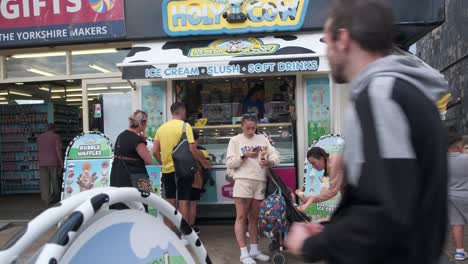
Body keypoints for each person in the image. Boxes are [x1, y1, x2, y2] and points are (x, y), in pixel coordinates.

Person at [285, 0, 449, 263]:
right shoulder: (408, 93)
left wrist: (313, 244)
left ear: (343, 38)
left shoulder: (380, 96)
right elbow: (394, 197)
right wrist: (334, 227)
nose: (327, 52)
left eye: (326, 42)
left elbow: (388, 215)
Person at [226, 114, 280, 264]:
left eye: (253, 128)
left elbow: (275, 154)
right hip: (243, 181)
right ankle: (244, 254)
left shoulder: (262, 139)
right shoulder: (235, 140)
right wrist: (244, 156)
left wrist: (270, 161)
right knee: (241, 217)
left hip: (260, 181)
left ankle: (254, 250)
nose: (250, 131)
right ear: (241, 126)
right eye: (247, 128)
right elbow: (230, 163)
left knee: (254, 218)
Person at [152, 103, 197, 225]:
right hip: (183, 170)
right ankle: (184, 234)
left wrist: (164, 162)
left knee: (169, 202)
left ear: (172, 113)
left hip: (167, 170)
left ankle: (169, 233)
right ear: (182, 112)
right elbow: (192, 149)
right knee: (184, 201)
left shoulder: (161, 128)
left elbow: (155, 151)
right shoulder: (185, 126)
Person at [110, 110, 153, 191]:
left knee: (122, 201)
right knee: (146, 198)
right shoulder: (137, 140)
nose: (146, 126)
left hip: (118, 177)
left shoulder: (120, 136)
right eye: (146, 123)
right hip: (138, 178)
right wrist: (145, 141)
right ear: (142, 124)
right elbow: (149, 160)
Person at [295, 147, 344, 212]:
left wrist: (309, 199)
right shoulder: (329, 164)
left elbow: (332, 192)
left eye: (313, 163)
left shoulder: (333, 164)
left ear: (321, 159)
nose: (313, 167)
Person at [447, 134, 468, 261]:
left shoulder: (440, 160)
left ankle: (459, 252)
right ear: (458, 146)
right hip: (466, 194)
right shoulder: (466, 159)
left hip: (450, 196)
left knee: (457, 224)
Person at [189, 130, 212, 234]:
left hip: (181, 181)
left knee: (183, 203)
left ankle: (183, 227)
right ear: (196, 140)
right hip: (194, 181)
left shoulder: (178, 150)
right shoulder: (197, 152)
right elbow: (207, 166)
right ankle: (191, 227)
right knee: (192, 204)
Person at [37, 123, 63, 205]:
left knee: (44, 182)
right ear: (53, 129)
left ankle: (46, 199)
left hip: (42, 162)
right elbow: (58, 150)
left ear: (46, 129)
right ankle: (57, 197)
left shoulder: (39, 137)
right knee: (55, 180)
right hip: (53, 162)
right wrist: (61, 162)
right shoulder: (56, 137)